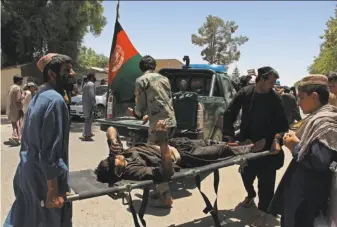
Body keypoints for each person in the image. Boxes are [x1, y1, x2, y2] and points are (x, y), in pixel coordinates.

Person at [4, 53, 75, 227]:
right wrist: (52, 190)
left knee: (26, 217)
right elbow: (50, 150)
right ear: (52, 74)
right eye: (67, 70)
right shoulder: (55, 100)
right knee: (50, 220)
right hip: (43, 179)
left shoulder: (40, 95)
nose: (73, 73)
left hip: (27, 173)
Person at [222, 66, 289, 226]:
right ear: (261, 79)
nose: (273, 85)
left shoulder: (275, 98)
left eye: (274, 82)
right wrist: (231, 137)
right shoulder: (245, 93)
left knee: (266, 180)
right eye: (270, 82)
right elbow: (229, 113)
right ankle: (251, 195)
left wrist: (273, 140)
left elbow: (282, 125)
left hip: (267, 146)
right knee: (245, 174)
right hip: (247, 143)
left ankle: (262, 212)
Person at [268, 74, 337, 227]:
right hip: (301, 197)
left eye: (300, 97)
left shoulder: (326, 122)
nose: (298, 103)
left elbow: (319, 162)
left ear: (314, 96)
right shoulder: (315, 117)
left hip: (307, 201)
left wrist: (294, 146)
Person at [127, 55, 177, 207]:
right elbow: (163, 100)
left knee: (154, 157)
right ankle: (158, 190)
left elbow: (140, 108)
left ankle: (166, 196)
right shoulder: (164, 79)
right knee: (163, 154)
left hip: (158, 126)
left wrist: (135, 113)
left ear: (141, 68)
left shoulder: (142, 80)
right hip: (171, 122)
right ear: (154, 66)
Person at [6, 75, 24, 146]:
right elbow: (17, 99)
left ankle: (15, 136)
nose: (22, 82)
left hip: (10, 108)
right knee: (18, 124)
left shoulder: (11, 87)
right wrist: (23, 96)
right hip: (17, 108)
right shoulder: (17, 88)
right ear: (19, 81)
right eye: (21, 81)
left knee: (13, 123)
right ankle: (16, 137)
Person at [80, 72, 96, 141]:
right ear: (92, 77)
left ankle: (86, 132)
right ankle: (87, 135)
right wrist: (94, 104)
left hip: (85, 104)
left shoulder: (85, 84)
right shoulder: (91, 84)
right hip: (89, 104)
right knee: (89, 120)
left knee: (87, 120)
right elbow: (92, 95)